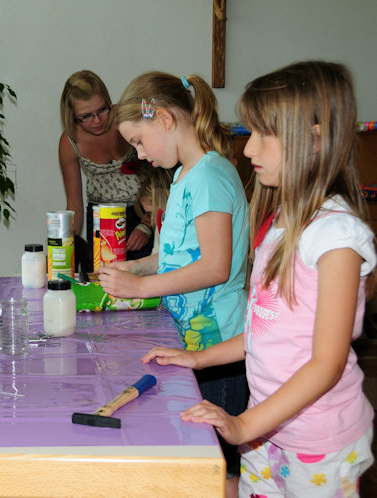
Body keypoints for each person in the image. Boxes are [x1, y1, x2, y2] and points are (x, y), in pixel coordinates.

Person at [142, 61, 376, 497]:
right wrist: (199, 358)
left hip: (317, 442)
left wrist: (242, 424)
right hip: (267, 429)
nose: (249, 151)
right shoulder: (282, 221)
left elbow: (326, 364)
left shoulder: (336, 237)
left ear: (314, 138)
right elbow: (265, 331)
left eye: (263, 134)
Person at [99, 71, 249, 496]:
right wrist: (137, 270)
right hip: (192, 344)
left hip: (220, 347)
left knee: (220, 466)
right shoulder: (185, 176)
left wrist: (143, 289)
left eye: (140, 142)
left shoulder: (210, 176)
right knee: (197, 453)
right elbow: (177, 256)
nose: (141, 155)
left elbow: (216, 266)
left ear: (164, 118)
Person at [58, 70, 152, 271]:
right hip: (101, 219)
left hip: (142, 212)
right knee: (104, 282)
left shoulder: (126, 119)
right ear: (72, 117)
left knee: (144, 278)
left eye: (102, 110)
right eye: (86, 116)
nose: (98, 120)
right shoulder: (69, 142)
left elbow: (160, 177)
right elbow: (73, 202)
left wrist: (147, 223)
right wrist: (65, 247)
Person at [134, 166, 175, 254]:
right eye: (149, 215)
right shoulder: (161, 225)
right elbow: (158, 256)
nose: (152, 222)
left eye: (153, 213)